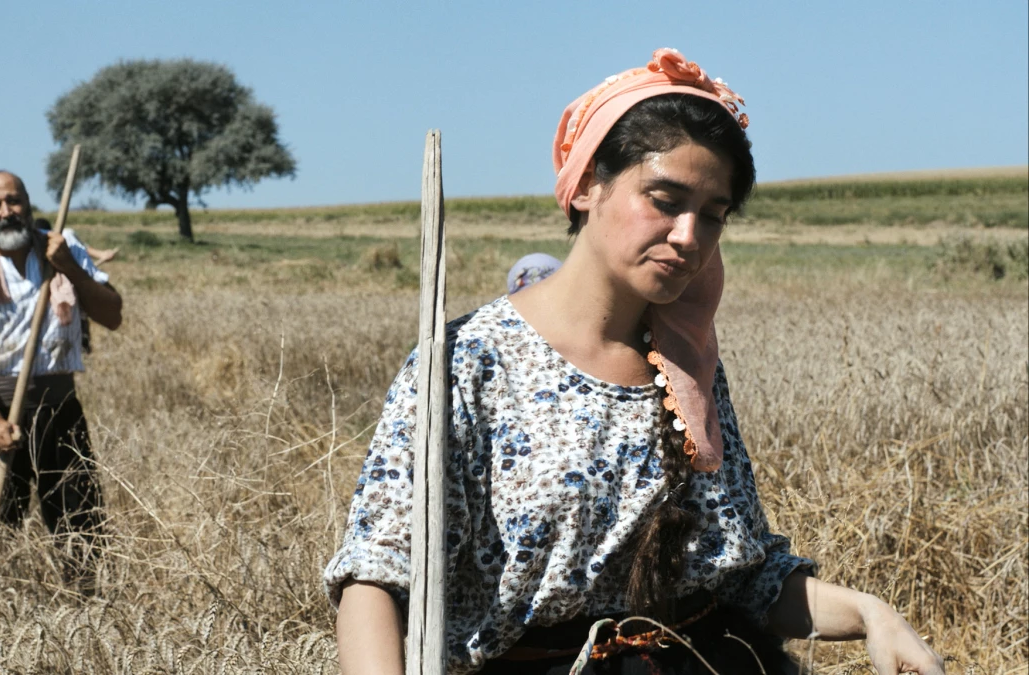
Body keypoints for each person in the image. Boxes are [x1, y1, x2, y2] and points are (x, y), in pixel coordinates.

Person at [325, 49, 944, 675]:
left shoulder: (686, 366)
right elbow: (375, 578)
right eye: (665, 199)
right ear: (591, 182)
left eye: (712, 215)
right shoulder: (467, 364)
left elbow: (746, 580)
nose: (688, 237)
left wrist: (872, 614)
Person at [0, 170, 123, 589]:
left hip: (61, 409)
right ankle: (0, 607)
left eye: (13, 201)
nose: (7, 212)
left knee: (80, 522)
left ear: (29, 202)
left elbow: (112, 315)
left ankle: (86, 606)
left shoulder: (64, 250)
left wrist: (70, 269)